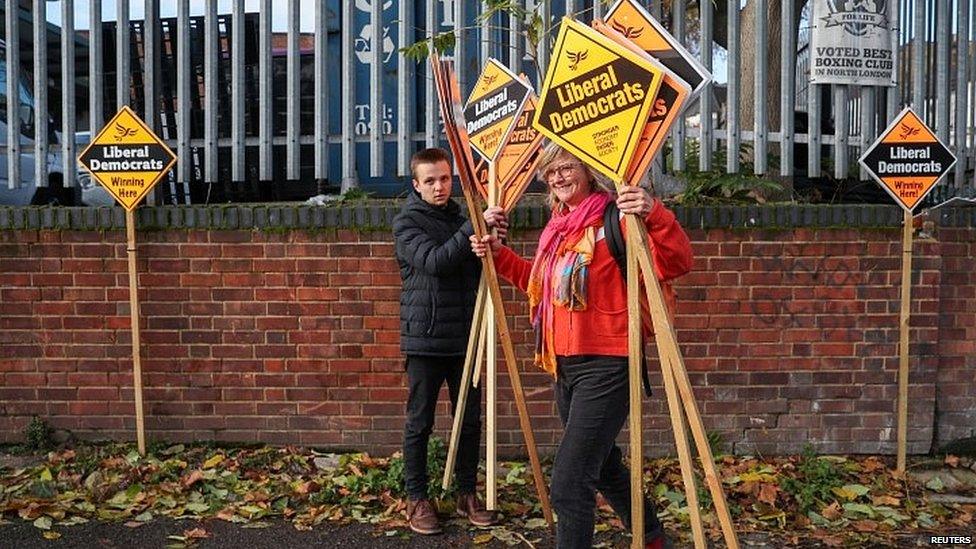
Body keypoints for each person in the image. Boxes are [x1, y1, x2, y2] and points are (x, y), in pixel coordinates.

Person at [471, 143, 693, 549]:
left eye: (566, 167)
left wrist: (652, 211)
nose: (557, 177)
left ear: (588, 171)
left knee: (569, 483)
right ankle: (654, 539)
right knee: (604, 465)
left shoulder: (618, 219)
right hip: (565, 366)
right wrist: (500, 256)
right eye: (550, 171)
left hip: (609, 364)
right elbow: (541, 287)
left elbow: (676, 262)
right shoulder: (557, 227)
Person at [393, 147, 503, 535]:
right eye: (430, 181)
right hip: (424, 339)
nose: (439, 187)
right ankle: (417, 498)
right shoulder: (407, 224)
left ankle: (465, 493)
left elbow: (471, 265)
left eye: (444, 178)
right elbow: (436, 262)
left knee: (469, 420)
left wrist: (488, 242)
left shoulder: (461, 217)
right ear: (416, 185)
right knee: (419, 423)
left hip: (465, 337)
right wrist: (473, 229)